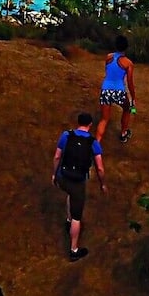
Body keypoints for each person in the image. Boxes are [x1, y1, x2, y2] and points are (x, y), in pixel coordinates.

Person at [53, 112, 106, 262]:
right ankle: (74, 249)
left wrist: (54, 174)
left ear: (78, 122)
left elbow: (57, 156)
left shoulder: (66, 135)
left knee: (70, 195)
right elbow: (100, 168)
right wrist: (103, 184)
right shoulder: (93, 142)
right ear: (90, 125)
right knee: (78, 216)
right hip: (78, 182)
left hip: (64, 178)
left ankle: (68, 220)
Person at [96, 35, 138, 144]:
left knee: (104, 119)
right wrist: (133, 97)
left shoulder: (108, 57)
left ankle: (96, 146)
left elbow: (108, 71)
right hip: (119, 91)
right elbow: (130, 83)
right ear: (126, 47)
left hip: (105, 89)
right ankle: (123, 133)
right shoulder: (128, 63)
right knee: (127, 108)